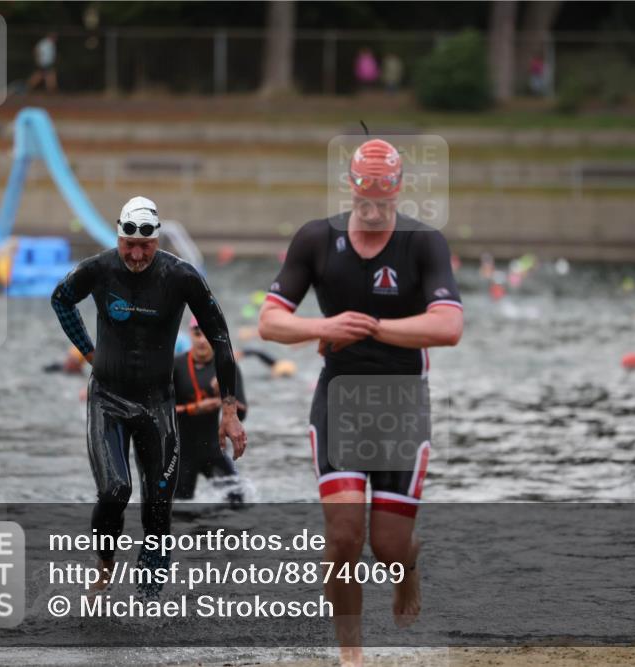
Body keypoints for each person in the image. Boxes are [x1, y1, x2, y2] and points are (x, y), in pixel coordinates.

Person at [258, 139, 463, 667]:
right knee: (345, 536)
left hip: (401, 402)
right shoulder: (316, 239)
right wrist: (326, 327)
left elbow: (449, 326)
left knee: (389, 547)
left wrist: (372, 328)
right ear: (351, 188)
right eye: (366, 198)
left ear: (397, 193)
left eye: (386, 201)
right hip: (340, 399)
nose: (375, 210)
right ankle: (352, 656)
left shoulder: (424, 243)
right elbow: (270, 321)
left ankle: (407, 567)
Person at [51, 195, 246, 598]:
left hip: (157, 403)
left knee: (159, 506)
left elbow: (221, 339)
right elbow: (61, 299)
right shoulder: (99, 268)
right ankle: (105, 565)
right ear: (119, 236)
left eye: (146, 246)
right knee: (115, 491)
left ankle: (148, 603)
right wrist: (89, 351)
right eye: (129, 244)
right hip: (107, 398)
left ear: (157, 241)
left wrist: (229, 411)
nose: (137, 254)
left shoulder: (181, 276)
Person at [173, 317, 248, 506]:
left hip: (214, 449)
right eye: (197, 334)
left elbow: (243, 413)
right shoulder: (175, 366)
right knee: (179, 511)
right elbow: (161, 412)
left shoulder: (226, 366)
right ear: (191, 335)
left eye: (207, 335)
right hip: (182, 453)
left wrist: (225, 398)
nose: (202, 340)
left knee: (238, 503)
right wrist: (194, 408)